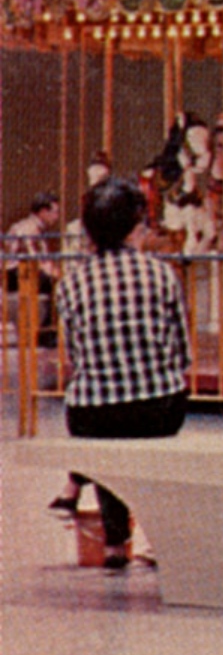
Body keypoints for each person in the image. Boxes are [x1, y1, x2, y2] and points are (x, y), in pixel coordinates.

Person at [49, 177, 191, 570]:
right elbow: (182, 351)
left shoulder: (71, 282)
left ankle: (115, 543)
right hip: (158, 405)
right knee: (141, 431)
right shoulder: (162, 274)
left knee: (107, 445)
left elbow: (75, 354)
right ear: (135, 228)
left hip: (94, 411)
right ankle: (157, 538)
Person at [6, 191, 62, 338]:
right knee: (56, 283)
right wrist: (57, 274)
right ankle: (47, 330)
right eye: (55, 212)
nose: (57, 217)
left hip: (23, 270)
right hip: (17, 272)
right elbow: (37, 258)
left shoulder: (30, 226)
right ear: (43, 212)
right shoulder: (31, 229)